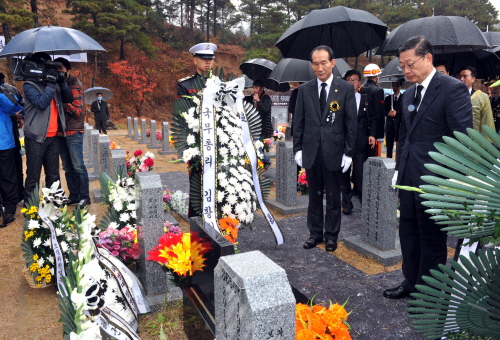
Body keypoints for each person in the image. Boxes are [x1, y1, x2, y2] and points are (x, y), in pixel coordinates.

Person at [384, 37, 472, 299]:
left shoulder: (451, 89)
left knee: (432, 237)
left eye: (410, 64)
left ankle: (430, 292)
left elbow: (462, 138)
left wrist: (454, 181)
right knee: (408, 230)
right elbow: (405, 133)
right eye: (402, 66)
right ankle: (411, 281)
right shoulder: (409, 93)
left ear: (428, 58)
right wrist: (399, 169)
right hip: (409, 175)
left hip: (437, 178)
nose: (406, 70)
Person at [293, 45, 357, 252]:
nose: (319, 68)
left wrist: (348, 153)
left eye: (323, 62)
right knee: (313, 198)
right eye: (315, 63)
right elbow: (299, 122)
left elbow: (350, 123)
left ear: (332, 63)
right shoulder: (304, 89)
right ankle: (314, 234)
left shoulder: (345, 88)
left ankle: (331, 236)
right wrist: (298, 149)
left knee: (332, 197)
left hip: (334, 153)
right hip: (311, 152)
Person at [23, 52, 73, 202]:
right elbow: (41, 103)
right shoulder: (29, 85)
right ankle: (30, 208)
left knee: (53, 174)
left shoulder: (53, 84)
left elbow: (68, 98)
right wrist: (51, 84)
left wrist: (61, 81)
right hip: (36, 137)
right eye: (46, 65)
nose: (49, 69)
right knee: (33, 174)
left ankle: (54, 205)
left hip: (53, 136)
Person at [54, 58, 90, 209]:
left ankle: (84, 196)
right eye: (56, 71)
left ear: (68, 71)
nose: (58, 74)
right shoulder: (55, 85)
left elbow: (78, 112)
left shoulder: (74, 85)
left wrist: (63, 100)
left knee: (78, 166)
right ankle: (74, 195)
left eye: (61, 71)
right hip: (60, 131)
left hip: (73, 130)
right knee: (67, 167)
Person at [340, 70, 375, 215]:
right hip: (343, 143)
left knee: (360, 175)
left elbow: (373, 118)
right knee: (344, 175)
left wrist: (372, 134)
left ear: (360, 82)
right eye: (349, 80)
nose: (352, 82)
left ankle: (364, 203)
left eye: (355, 80)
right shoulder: (340, 99)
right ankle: (347, 204)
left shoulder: (366, 98)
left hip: (361, 143)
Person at [0, 73, 24, 227]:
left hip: (3, 142)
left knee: (7, 176)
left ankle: (9, 209)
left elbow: (15, 106)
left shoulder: (3, 93)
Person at [456, 66, 494, 139]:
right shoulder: (451, 95)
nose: (461, 79)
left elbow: (486, 120)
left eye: (465, 76)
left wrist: (486, 142)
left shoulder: (482, 97)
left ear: (473, 79)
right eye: (460, 76)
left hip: (476, 139)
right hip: (457, 137)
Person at [360, 63, 385, 157]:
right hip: (374, 130)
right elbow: (379, 113)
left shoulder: (361, 89)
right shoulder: (378, 90)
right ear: (376, 75)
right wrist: (380, 135)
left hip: (362, 128)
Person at [252, 79, 273, 167]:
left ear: (262, 88)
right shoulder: (252, 98)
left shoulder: (266, 98)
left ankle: (266, 160)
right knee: (258, 147)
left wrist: (258, 101)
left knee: (257, 147)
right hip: (256, 127)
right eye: (254, 88)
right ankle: (263, 165)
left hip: (264, 128)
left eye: (257, 87)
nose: (255, 90)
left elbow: (266, 110)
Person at [384, 81, 404, 159]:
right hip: (389, 126)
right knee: (389, 148)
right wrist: (389, 113)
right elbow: (383, 111)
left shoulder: (404, 98)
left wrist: (397, 113)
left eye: (397, 86)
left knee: (399, 148)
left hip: (399, 127)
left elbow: (405, 111)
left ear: (400, 86)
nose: (395, 88)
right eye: (394, 86)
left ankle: (397, 164)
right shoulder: (388, 98)